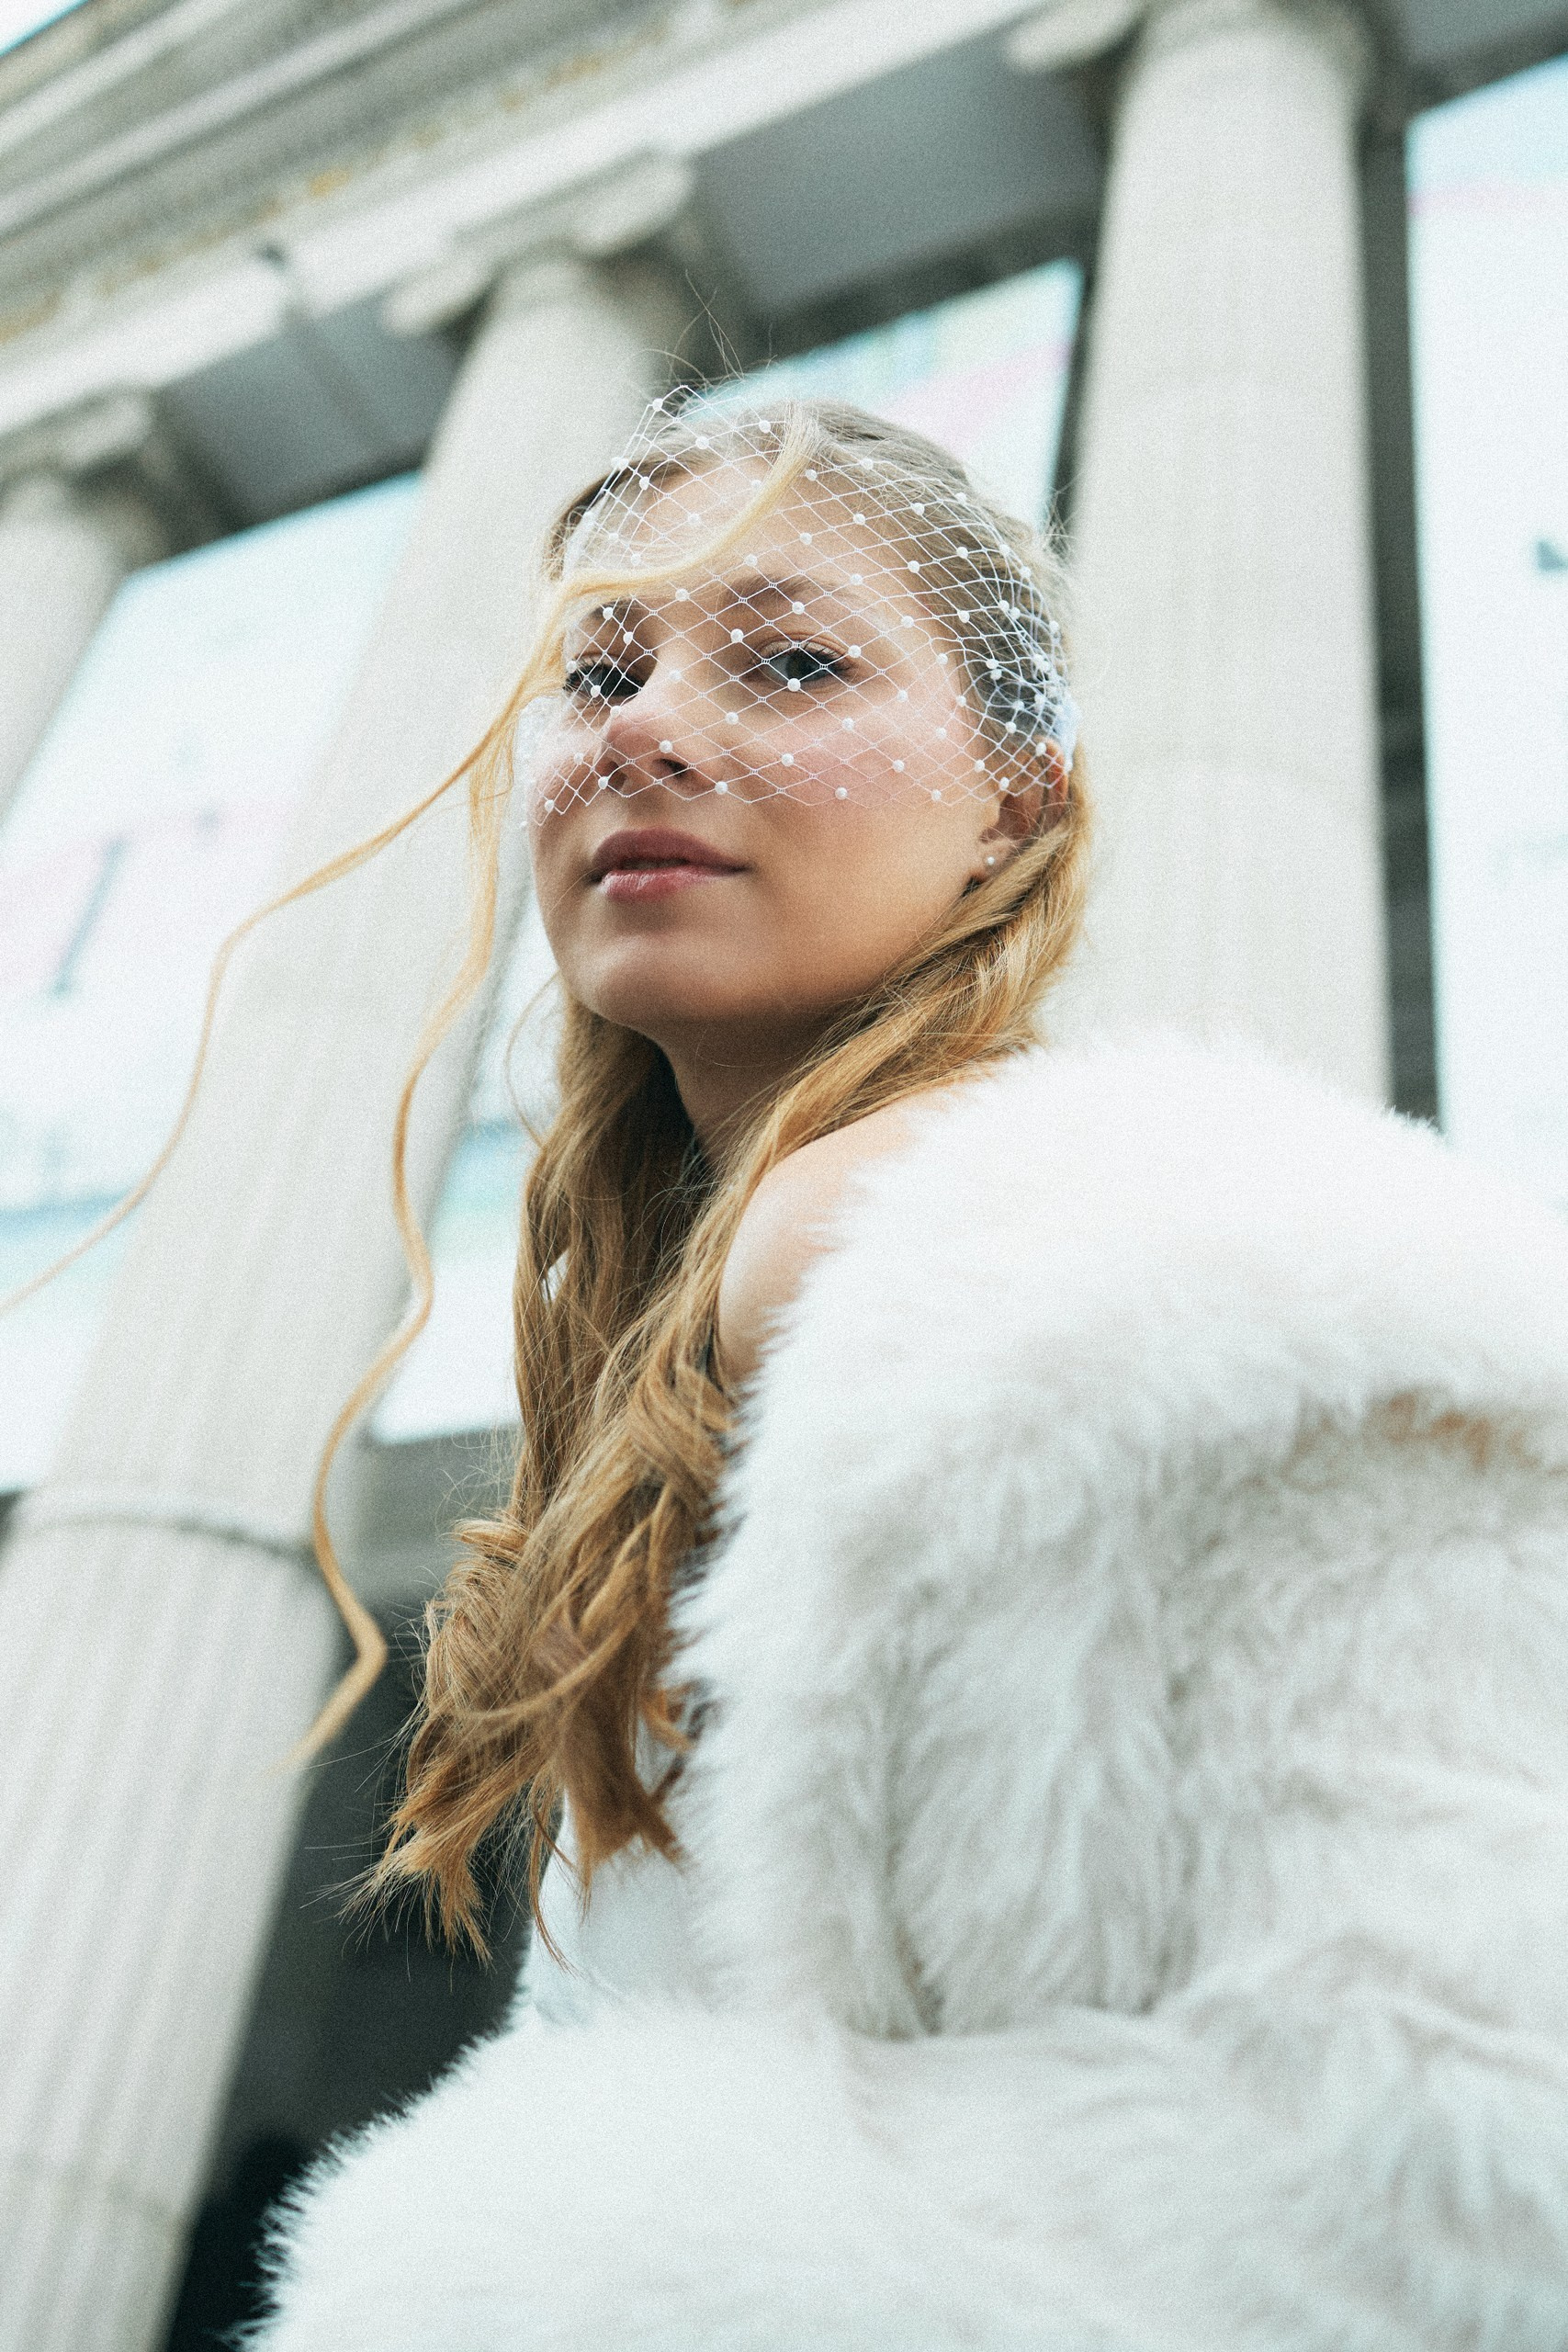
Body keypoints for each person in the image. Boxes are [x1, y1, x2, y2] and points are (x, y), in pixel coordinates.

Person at [257, 399, 1568, 2348]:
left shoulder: (1066, 1260)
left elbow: (1457, 2170)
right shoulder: (761, 1292)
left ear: (1016, 806)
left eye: (790, 663)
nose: (640, 727)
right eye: (600, 672)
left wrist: (467, 2286)